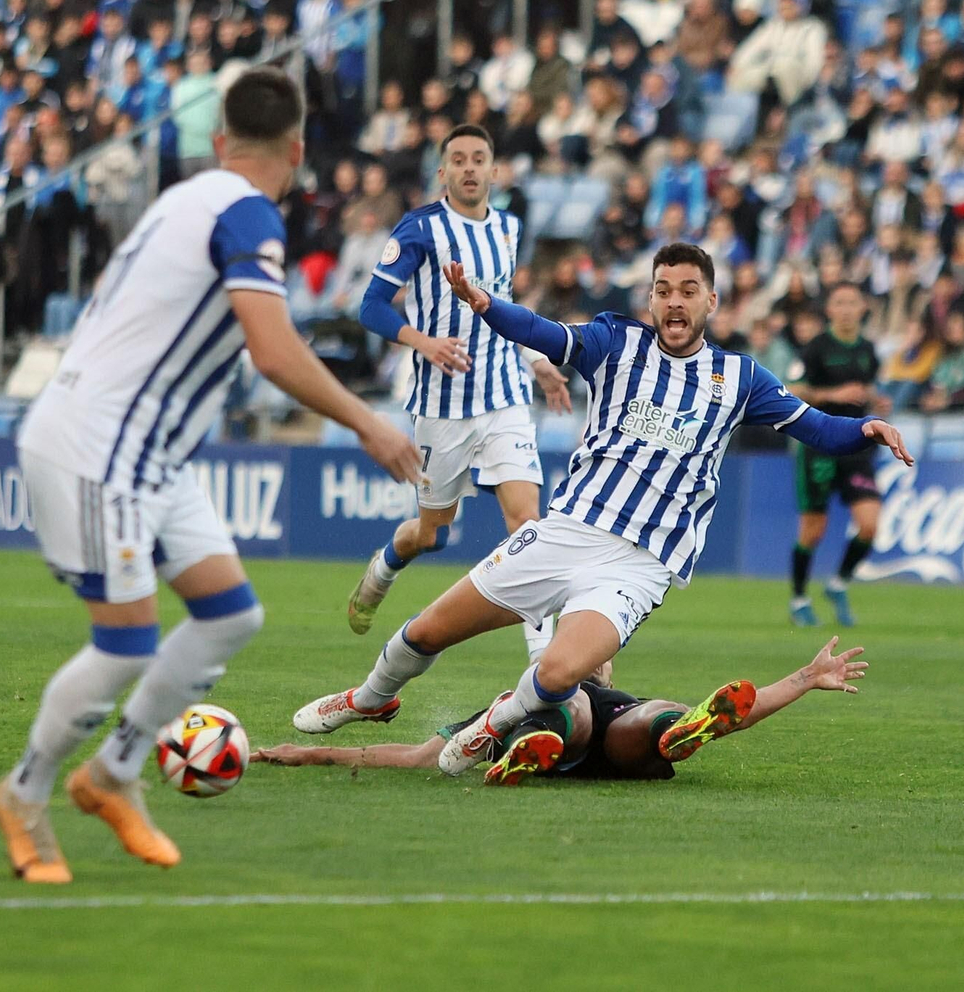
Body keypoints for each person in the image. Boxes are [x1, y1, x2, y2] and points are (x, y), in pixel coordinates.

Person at [0, 67, 420, 885]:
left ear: (220, 140)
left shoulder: (183, 197)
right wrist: (367, 420)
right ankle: (25, 794)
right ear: (297, 150)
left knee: (229, 614)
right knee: (125, 643)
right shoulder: (248, 213)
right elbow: (270, 345)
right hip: (101, 443)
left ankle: (111, 775)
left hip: (148, 450)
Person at [290, 243, 913, 781]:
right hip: (568, 531)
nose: (674, 302)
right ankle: (371, 699)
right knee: (426, 631)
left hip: (639, 566)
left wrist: (868, 429)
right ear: (650, 297)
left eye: (689, 291)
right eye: (663, 289)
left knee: (561, 669)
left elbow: (820, 429)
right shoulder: (616, 342)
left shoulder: (739, 378)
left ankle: (495, 725)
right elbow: (545, 334)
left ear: (712, 303)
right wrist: (486, 305)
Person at [349, 123, 572, 662]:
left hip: (506, 397)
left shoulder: (510, 229)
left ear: (495, 171)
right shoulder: (420, 228)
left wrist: (537, 360)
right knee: (432, 535)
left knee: (526, 522)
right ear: (442, 171)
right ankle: (383, 567)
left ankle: (546, 663)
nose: (470, 168)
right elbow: (372, 306)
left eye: (479, 158)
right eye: (459, 160)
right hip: (443, 407)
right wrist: (422, 341)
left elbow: (502, 311)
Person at [257, 638, 867, 784]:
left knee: (653, 720)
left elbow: (417, 758)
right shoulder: (541, 690)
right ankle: (543, 745)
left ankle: (683, 729)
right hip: (565, 722)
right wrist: (315, 752)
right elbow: (415, 756)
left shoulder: (612, 689)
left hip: (605, 727)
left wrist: (807, 677)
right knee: (571, 704)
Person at [786, 281, 890, 628]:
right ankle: (799, 598)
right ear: (830, 310)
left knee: (870, 525)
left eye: (852, 302)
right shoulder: (815, 348)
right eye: (840, 303)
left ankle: (838, 583)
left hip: (857, 448)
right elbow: (793, 390)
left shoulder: (868, 350)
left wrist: (876, 400)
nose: (846, 309)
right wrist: (834, 394)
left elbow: (867, 388)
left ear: (863, 308)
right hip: (819, 447)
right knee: (813, 530)